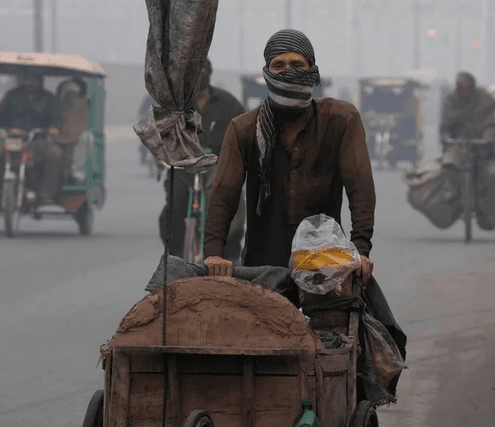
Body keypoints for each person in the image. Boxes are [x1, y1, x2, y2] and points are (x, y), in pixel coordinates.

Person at [203, 29, 376, 282]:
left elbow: (360, 187)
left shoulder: (340, 121)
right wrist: (213, 253)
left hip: (326, 262)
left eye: (297, 64)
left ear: (312, 71)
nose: (287, 71)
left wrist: (360, 250)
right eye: (278, 65)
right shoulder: (244, 128)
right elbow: (223, 193)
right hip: (262, 267)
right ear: (266, 72)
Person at [159, 57, 246, 263]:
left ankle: (231, 251)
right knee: (174, 203)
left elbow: (244, 133)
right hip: (184, 165)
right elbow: (160, 133)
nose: (197, 76)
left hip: (218, 163)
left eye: (201, 71)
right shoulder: (174, 106)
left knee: (227, 197)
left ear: (209, 72)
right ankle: (176, 255)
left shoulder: (229, 103)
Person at [0, 71, 63, 203]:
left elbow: (56, 118)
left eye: (34, 80)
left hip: (37, 140)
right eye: (28, 79)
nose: (31, 83)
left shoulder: (49, 98)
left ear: (40, 81)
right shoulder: (12, 96)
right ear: (23, 80)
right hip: (14, 139)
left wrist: (54, 128)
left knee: (55, 155)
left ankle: (46, 192)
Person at [439, 71, 495, 164]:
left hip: (482, 145)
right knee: (448, 164)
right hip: (457, 144)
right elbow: (445, 123)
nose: (464, 92)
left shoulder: (484, 100)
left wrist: (488, 135)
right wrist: (446, 136)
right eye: (461, 88)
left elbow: (489, 122)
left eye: (467, 88)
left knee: (491, 170)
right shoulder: (451, 101)